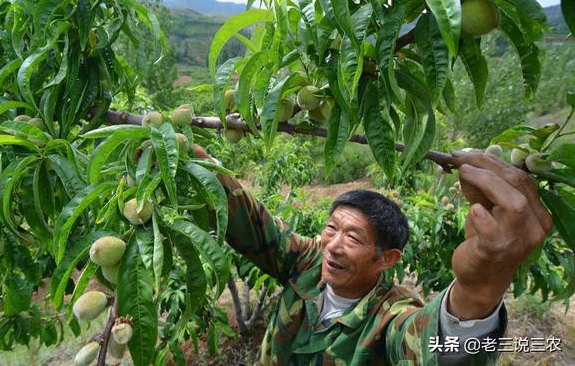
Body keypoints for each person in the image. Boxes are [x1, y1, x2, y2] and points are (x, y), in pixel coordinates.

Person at [194, 146, 553, 365]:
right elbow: (249, 220)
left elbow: (425, 345)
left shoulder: (389, 317)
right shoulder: (305, 261)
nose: (332, 245)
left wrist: (478, 292)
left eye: (353, 237)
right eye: (331, 228)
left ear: (387, 259)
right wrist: (193, 165)